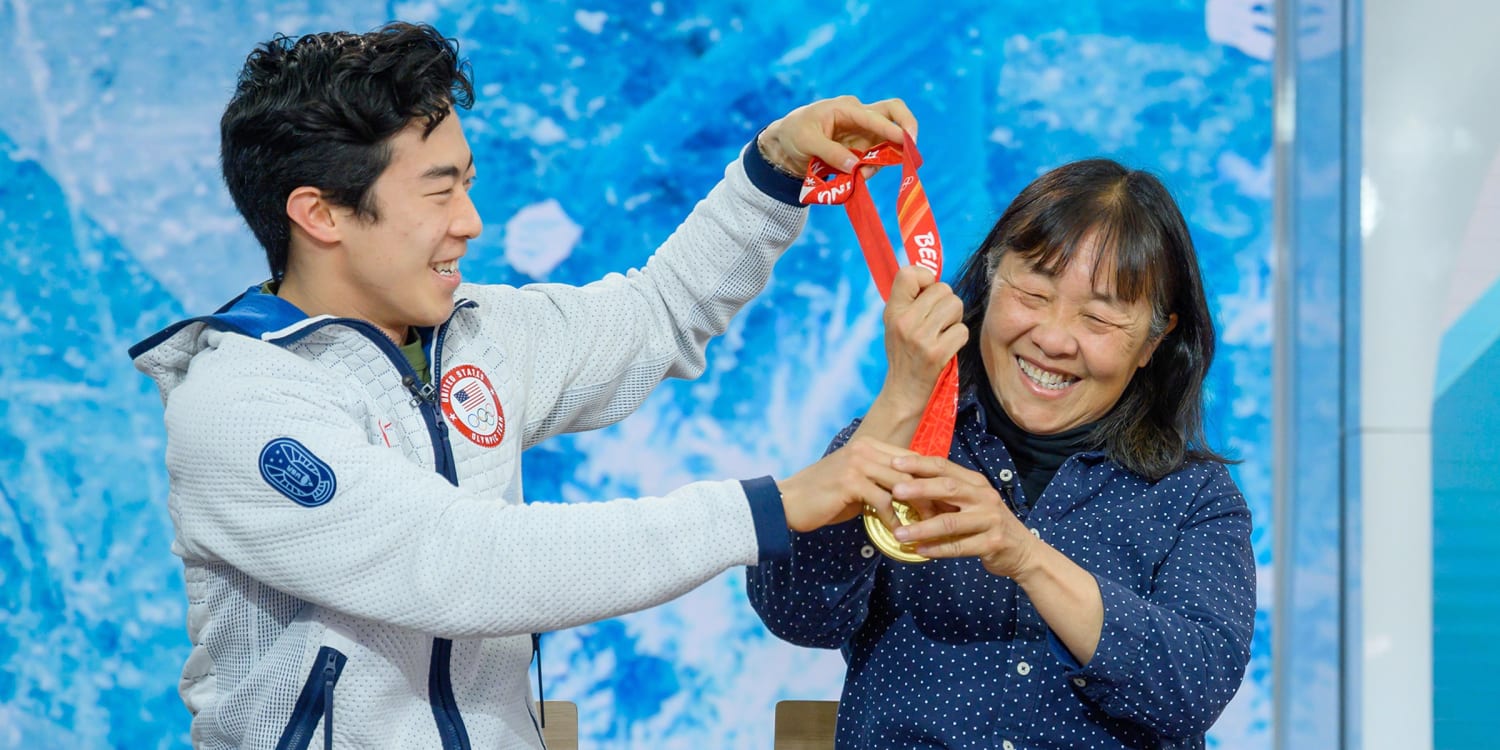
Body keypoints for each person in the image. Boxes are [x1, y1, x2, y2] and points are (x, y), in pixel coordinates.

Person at [130, 21, 922, 750]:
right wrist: (770, 508)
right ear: (322, 215)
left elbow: (656, 316)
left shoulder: (476, 336)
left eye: (467, 184)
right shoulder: (241, 409)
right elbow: (464, 565)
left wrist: (776, 168)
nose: (471, 221)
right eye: (439, 192)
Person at [747, 158, 1257, 749]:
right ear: (988, 284)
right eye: (1034, 293)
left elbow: (1192, 691)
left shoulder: (1193, 498)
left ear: (1154, 340)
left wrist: (1024, 555)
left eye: (1097, 316)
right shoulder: (891, 439)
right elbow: (793, 612)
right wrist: (904, 396)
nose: (1053, 338)